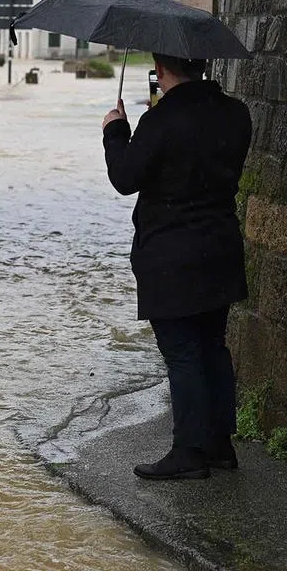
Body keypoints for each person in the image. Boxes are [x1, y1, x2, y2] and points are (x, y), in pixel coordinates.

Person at [101, 53, 252, 480]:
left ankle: (188, 452)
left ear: (161, 70)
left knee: (183, 353)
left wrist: (116, 131)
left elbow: (125, 177)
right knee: (212, 345)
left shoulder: (162, 121)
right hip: (220, 246)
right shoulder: (235, 114)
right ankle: (220, 445)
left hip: (171, 256)